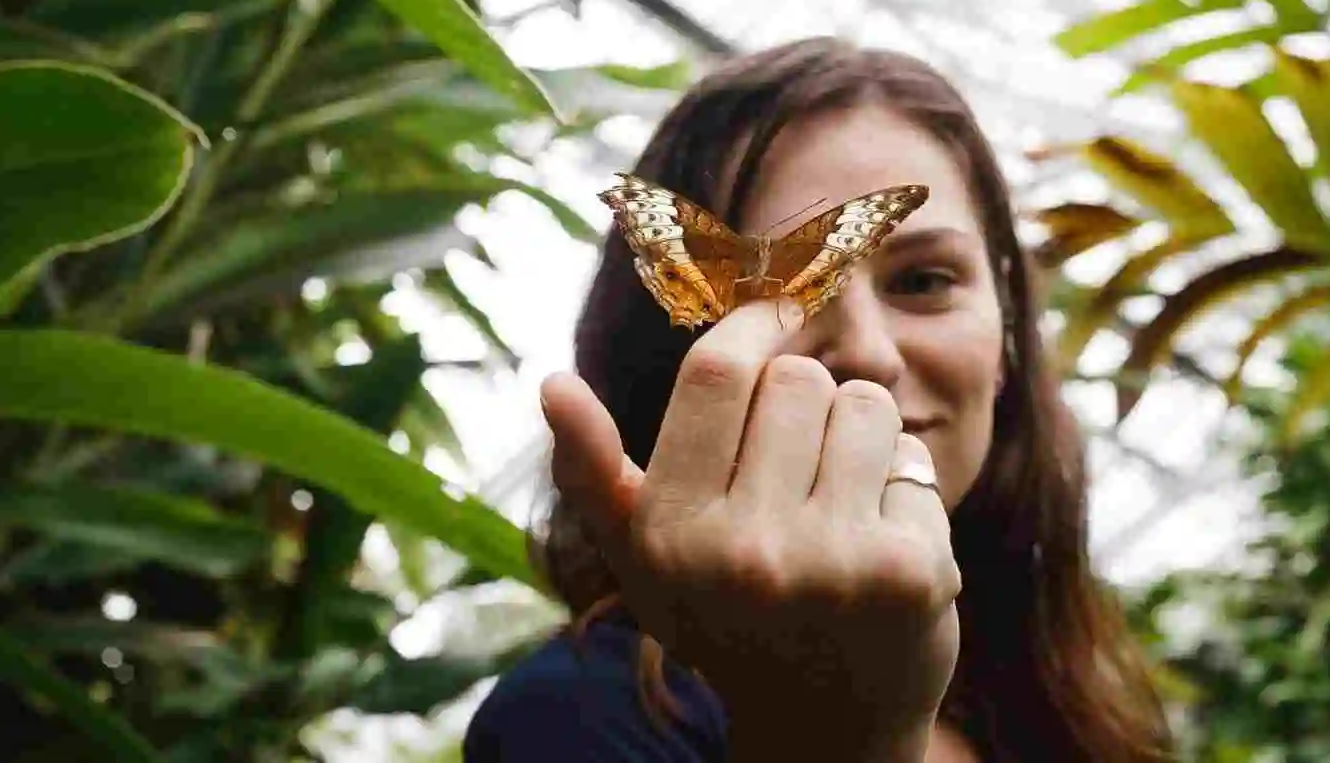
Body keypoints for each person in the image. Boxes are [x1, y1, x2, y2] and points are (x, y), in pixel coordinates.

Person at [461, 38, 1172, 763]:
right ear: (671, 360)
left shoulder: (1061, 696)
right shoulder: (575, 720)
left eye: (925, 280)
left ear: (1008, 330)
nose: (868, 352)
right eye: (765, 293)